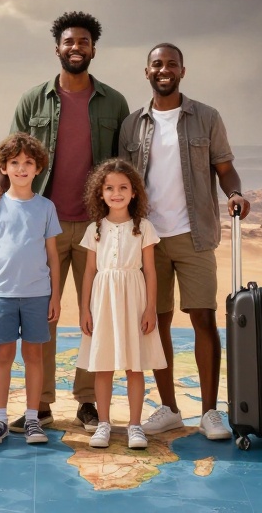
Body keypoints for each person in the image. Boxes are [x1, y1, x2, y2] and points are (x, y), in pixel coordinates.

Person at [0, 11, 129, 433]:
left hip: (96, 225)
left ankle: (87, 401)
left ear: (93, 49)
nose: (76, 48)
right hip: (42, 223)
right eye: (69, 42)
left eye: (84, 42)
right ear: (57, 49)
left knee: (94, 314)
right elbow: (13, 150)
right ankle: (39, 405)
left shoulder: (114, 103)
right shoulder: (33, 100)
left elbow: (122, 165)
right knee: (41, 316)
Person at [119, 43, 249, 441]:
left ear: (182, 71)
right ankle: (170, 408)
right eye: (157, 64)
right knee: (155, 325)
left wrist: (235, 194)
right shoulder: (131, 125)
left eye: (171, 64)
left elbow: (225, 169)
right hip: (148, 240)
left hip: (195, 236)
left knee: (203, 319)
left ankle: (210, 412)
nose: (164, 70)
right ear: (147, 72)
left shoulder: (206, 117)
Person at [0, 133, 63, 446]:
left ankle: (31, 420)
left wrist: (55, 296)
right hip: (2, 295)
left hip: (38, 296)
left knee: (34, 356)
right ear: (4, 166)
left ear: (38, 168)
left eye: (28, 163)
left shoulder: (46, 207)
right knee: (3, 355)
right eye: (15, 162)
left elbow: (53, 255)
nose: (22, 168)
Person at [77, 158, 165, 450]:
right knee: (102, 364)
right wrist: (84, 309)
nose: (117, 193)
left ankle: (135, 426)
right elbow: (89, 271)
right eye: (110, 188)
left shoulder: (144, 228)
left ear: (134, 191)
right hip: (103, 301)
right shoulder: (95, 229)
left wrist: (151, 307)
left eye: (123, 187)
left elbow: (150, 271)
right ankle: (103, 424)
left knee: (134, 365)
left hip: (134, 299)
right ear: (100, 193)